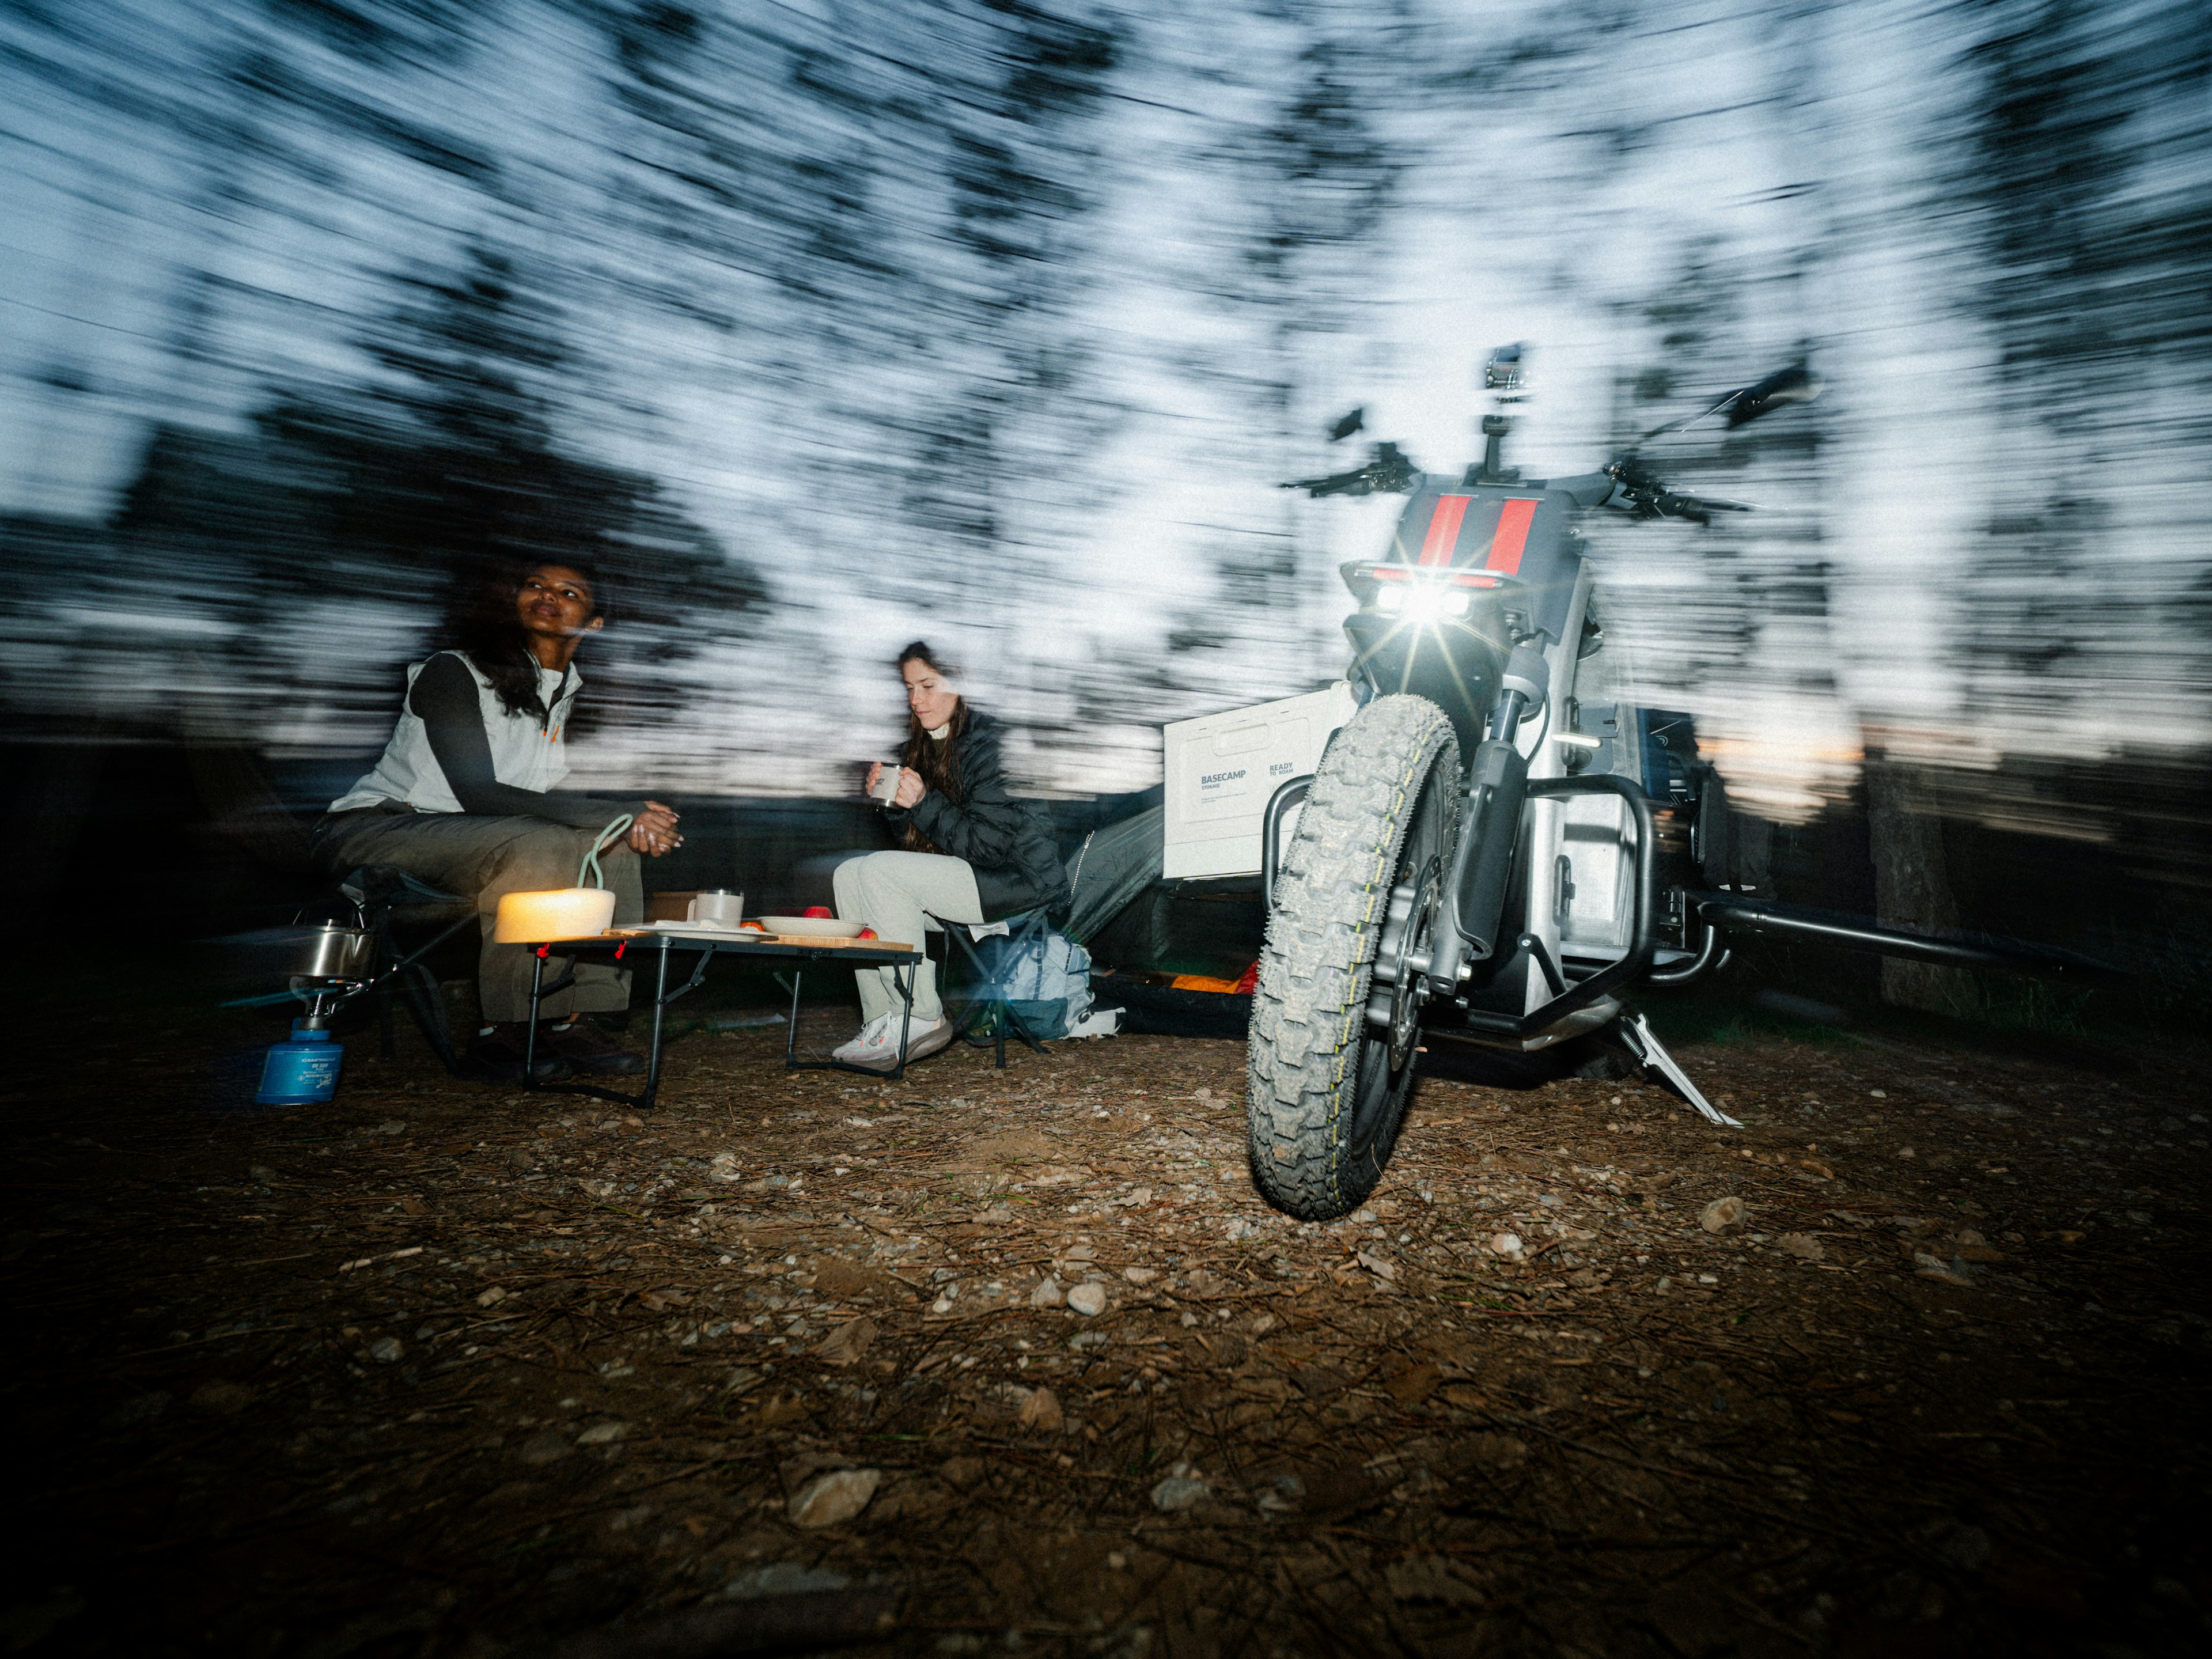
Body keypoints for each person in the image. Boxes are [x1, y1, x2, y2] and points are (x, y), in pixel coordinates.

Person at [316, 562, 683, 1084]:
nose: (547, 596)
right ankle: (504, 1027)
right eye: (535, 586)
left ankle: (569, 1015)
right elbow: (478, 792)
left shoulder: (559, 693)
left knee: (610, 847)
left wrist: (629, 820)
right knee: (541, 840)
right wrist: (618, 814)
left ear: (594, 623)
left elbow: (541, 797)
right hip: (379, 829)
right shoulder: (454, 671)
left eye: (568, 592)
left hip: (473, 841)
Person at [831, 642, 1070, 1071]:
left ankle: (920, 1013)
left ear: (959, 685)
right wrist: (893, 805)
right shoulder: (921, 747)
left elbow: (988, 847)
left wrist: (923, 803)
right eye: (909, 688)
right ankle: (882, 1020)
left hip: (1017, 880)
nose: (915, 700)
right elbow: (920, 848)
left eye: (927, 685)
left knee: (881, 872)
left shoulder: (993, 745)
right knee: (851, 873)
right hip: (969, 878)